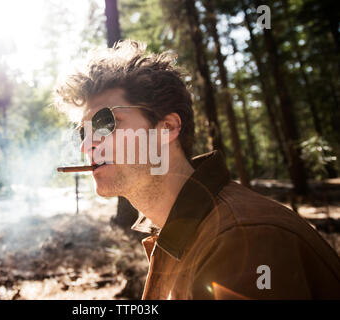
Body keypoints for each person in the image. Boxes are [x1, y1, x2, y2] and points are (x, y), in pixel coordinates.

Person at [54, 40, 340, 299]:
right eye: (83, 132)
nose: (87, 145)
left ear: (166, 128)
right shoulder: (181, 230)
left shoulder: (241, 240)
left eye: (105, 123)